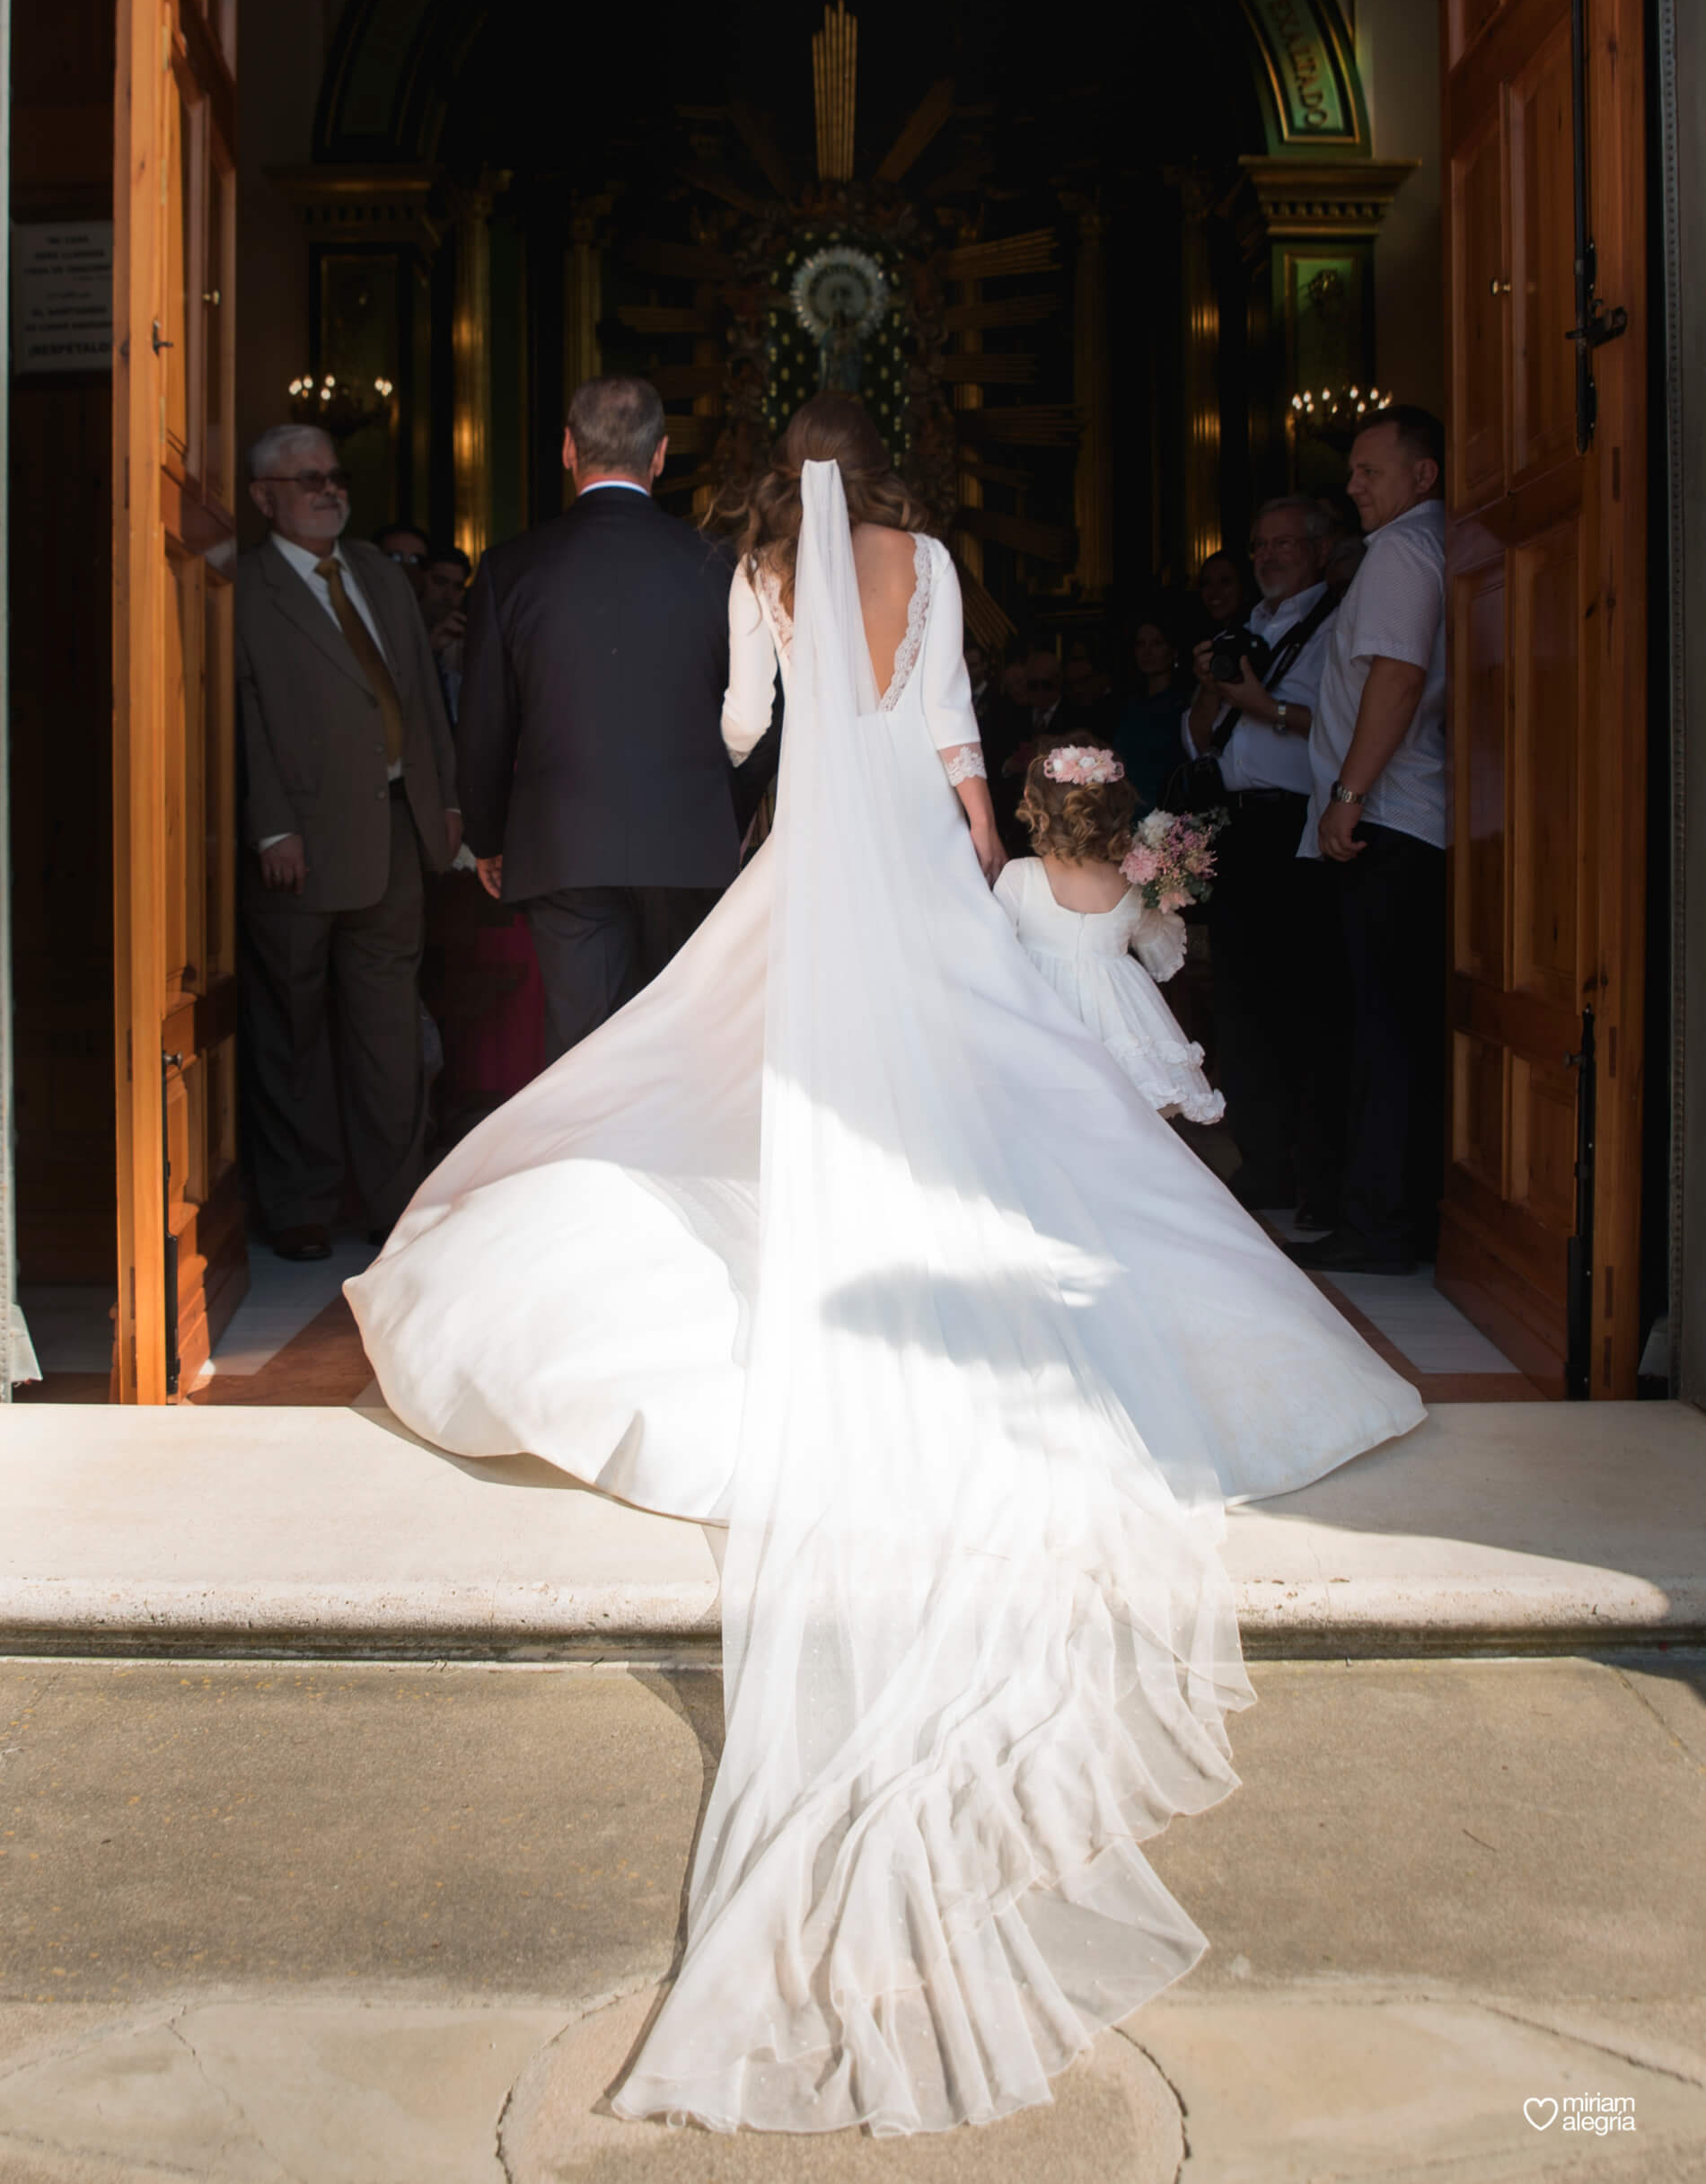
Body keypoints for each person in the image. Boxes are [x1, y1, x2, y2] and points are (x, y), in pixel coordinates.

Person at [347, 390, 1424, 2138]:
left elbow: (743, 725)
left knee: (775, 1085)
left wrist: (761, 735)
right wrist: (989, 866)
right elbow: (947, 735)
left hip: (805, 868)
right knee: (972, 1103)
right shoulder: (924, 561)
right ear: (894, 471)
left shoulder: (764, 566)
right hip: (917, 860)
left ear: (782, 477)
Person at [454, 374, 742, 1063]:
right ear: (662, 454)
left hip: (564, 845)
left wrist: (489, 835)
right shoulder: (719, 566)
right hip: (690, 846)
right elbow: (760, 715)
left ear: (566, 450)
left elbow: (485, 721)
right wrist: (730, 815)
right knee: (682, 1050)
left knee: (584, 1057)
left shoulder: (511, 568)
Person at [235, 426, 462, 1259]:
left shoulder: (374, 570)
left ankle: (392, 1202)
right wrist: (272, 824)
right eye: (306, 481)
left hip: (397, 828)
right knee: (290, 1027)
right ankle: (300, 1204)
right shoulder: (243, 584)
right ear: (264, 497)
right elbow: (240, 711)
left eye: (334, 476)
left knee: (389, 1029)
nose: (329, 490)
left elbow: (422, 695)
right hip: (296, 844)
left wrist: (446, 802)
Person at [1288, 406, 1447, 1276]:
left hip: (1386, 820)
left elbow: (1396, 672)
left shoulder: (1398, 553)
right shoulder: (1423, 546)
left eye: (1368, 471)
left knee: (1379, 1034)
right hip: (1396, 817)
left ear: (1421, 475)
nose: (1350, 487)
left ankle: (1381, 1226)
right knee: (1385, 1027)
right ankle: (1384, 1215)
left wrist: (1348, 794)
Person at [1183, 495, 1342, 1217]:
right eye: (1260, 547)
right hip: (1239, 826)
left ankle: (1313, 1175)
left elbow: (1344, 724)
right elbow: (1200, 738)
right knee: (1241, 1005)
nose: (1270, 557)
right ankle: (1262, 1163)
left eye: (1284, 544)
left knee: (1301, 1002)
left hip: (1300, 825)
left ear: (1319, 549)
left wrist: (1261, 704)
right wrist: (1211, 691)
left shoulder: (1337, 621)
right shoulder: (1242, 629)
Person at [997, 742, 1221, 1123]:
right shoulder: (1133, 883)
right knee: (1116, 1122)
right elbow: (1160, 957)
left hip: (1037, 1008)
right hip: (1120, 1019)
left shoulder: (1020, 875)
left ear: (1036, 811)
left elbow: (991, 954)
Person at [1112, 612, 1190, 810]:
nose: (1147, 652)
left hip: (1169, 812)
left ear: (1173, 651)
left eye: (1156, 643)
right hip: (1128, 809)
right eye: (1140, 644)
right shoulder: (1128, 704)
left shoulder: (1184, 704)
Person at [420, 542, 470, 722]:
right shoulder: (398, 630)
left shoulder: (465, 639)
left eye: (458, 586)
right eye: (440, 582)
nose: (448, 594)